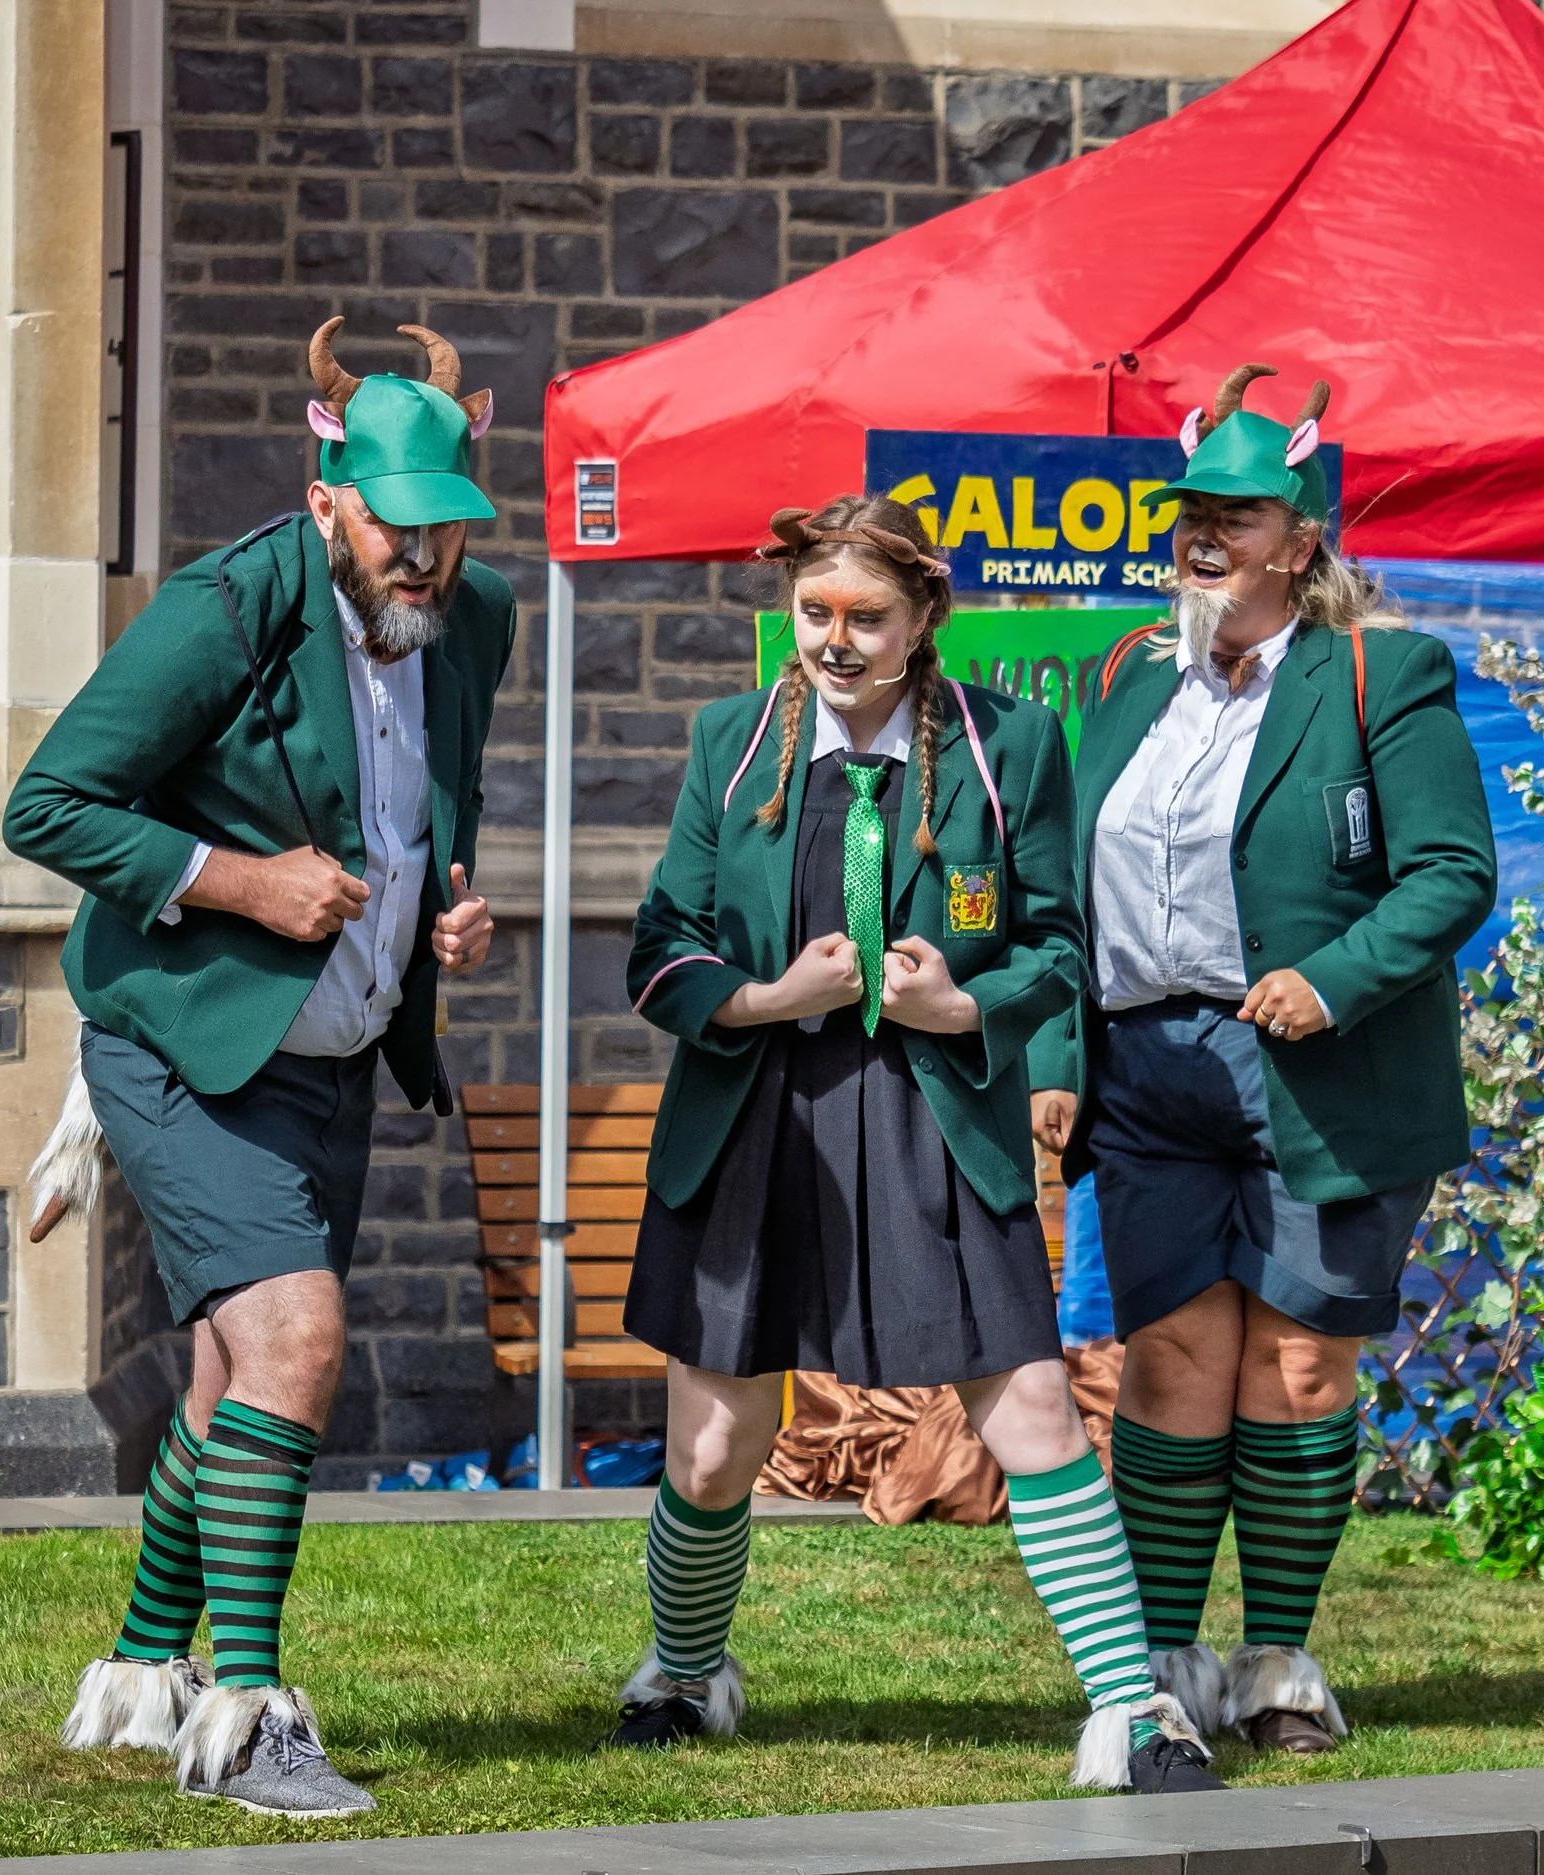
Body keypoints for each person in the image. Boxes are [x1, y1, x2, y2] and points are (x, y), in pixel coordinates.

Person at [613, 494, 1220, 1793]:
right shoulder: (732, 741)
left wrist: (963, 1003)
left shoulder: (1014, 745)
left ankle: (1136, 1714)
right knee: (715, 1445)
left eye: (864, 617)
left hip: (940, 1114)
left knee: (1038, 1408)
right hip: (756, 1118)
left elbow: (1059, 945)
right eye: (814, 613)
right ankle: (680, 1669)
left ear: (925, 619)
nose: (833, 640)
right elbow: (658, 951)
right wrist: (770, 1000)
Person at [3, 319, 513, 1817]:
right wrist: (242, 881)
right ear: (329, 497)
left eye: (450, 532)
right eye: (399, 530)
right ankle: (248, 1718)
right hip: (175, 1037)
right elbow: (49, 806)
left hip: (333, 1056)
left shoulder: (473, 625)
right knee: (295, 1338)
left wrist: (451, 916)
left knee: (235, 1376)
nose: (425, 560)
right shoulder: (223, 611)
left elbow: (423, 815)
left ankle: (144, 1661)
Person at [1029, 367, 1497, 1755]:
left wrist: (1332, 978)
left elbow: (1451, 872)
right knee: (1172, 1356)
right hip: (1150, 1066)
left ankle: (1279, 1658)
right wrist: (1061, 1050)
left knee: (1297, 1368)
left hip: (1321, 1068)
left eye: (1235, 517)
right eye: (1190, 515)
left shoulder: (1380, 673)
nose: (1202, 537)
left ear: (1301, 539)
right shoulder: (1121, 675)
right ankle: (1169, 1661)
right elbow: (1056, 886)